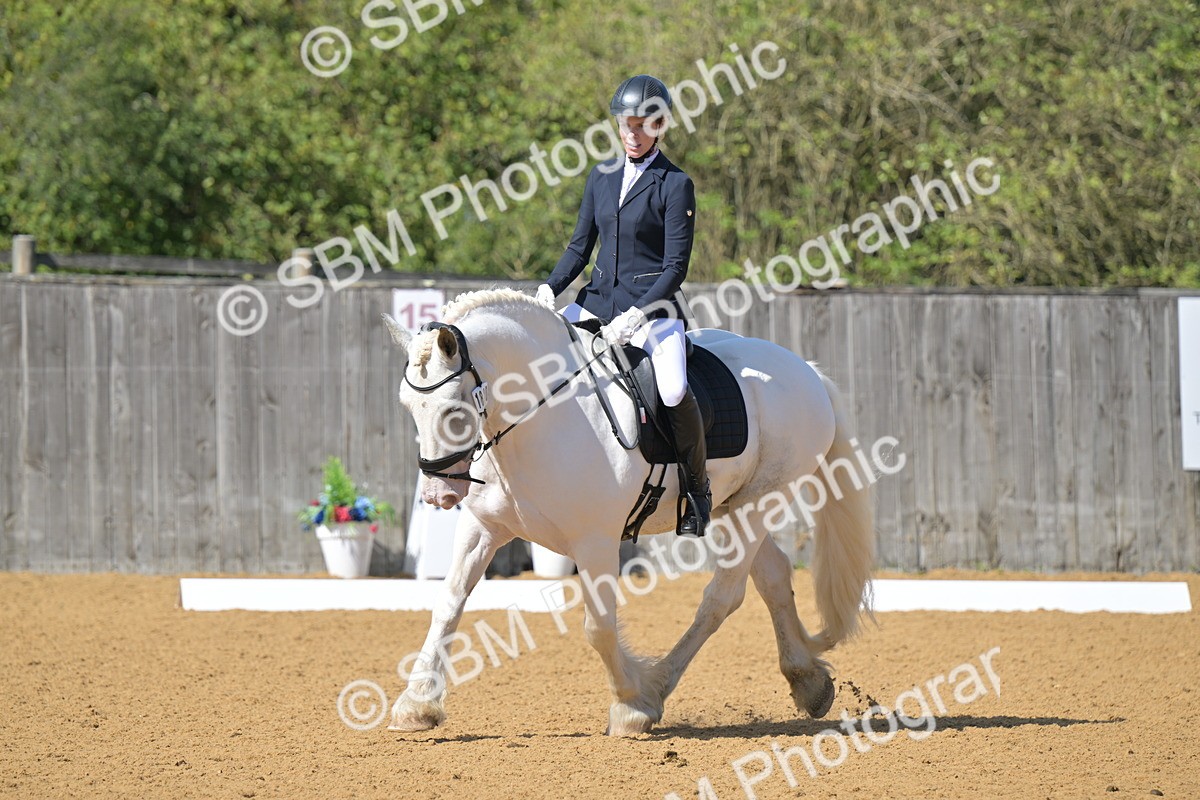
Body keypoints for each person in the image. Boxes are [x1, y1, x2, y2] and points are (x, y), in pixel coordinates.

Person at [536, 74, 711, 537]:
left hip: (654, 310)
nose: (632, 134)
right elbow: (579, 248)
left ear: (659, 126)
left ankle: (697, 490)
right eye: (625, 125)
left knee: (672, 389)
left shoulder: (675, 184)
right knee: (544, 362)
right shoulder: (601, 176)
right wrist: (550, 288)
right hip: (597, 302)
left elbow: (675, 267)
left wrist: (639, 313)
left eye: (642, 126)